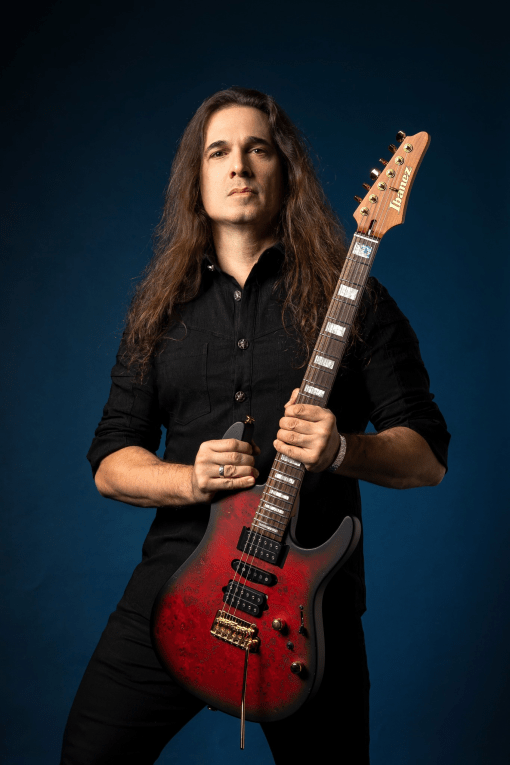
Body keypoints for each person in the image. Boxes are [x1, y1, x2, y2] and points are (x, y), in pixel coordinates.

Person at [60, 87, 450, 764]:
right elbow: (111, 461)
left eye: (257, 149)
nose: (238, 165)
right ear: (197, 179)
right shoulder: (159, 310)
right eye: (219, 152)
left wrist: (342, 448)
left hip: (306, 610)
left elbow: (427, 456)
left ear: (285, 169)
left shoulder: (356, 299)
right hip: (175, 591)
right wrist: (189, 480)